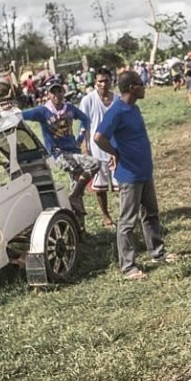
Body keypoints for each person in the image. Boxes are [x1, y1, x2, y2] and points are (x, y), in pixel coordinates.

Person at [94, 71, 175, 281]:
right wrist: (114, 153)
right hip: (129, 175)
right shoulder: (117, 111)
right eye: (141, 84)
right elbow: (98, 137)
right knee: (127, 222)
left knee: (151, 215)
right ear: (132, 87)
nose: (144, 87)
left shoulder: (134, 108)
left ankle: (158, 253)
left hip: (144, 171)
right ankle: (128, 266)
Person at [21, 77, 100, 219]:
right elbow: (23, 115)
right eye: (53, 92)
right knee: (95, 163)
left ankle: (80, 228)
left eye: (59, 91)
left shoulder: (69, 108)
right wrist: (11, 110)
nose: (57, 95)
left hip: (74, 152)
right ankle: (73, 196)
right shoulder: (43, 111)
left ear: (64, 92)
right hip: (60, 155)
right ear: (48, 94)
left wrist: (81, 137)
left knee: (78, 186)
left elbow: (85, 119)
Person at [79, 68, 120, 228]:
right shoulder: (88, 100)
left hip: (115, 149)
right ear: (95, 83)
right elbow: (83, 127)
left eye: (106, 80)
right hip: (96, 150)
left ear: (111, 81)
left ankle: (124, 215)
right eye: (100, 81)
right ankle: (105, 215)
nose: (103, 84)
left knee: (121, 186)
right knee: (100, 187)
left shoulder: (117, 100)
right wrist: (85, 148)